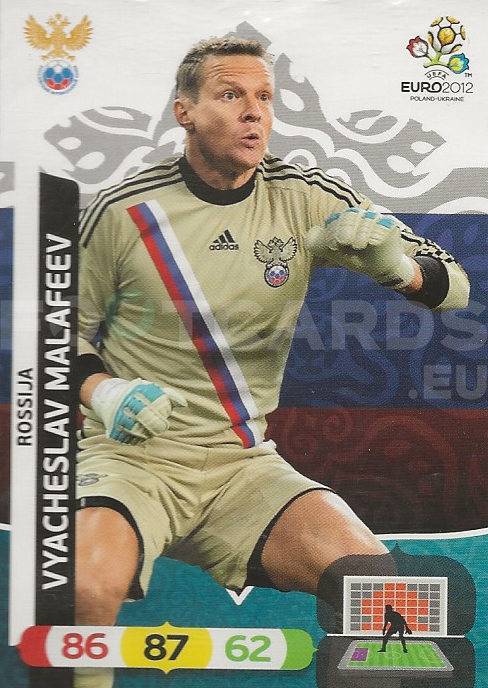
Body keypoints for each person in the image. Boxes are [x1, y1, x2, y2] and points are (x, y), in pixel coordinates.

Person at [74, 36, 469, 687]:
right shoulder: (123, 211)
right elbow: (53, 334)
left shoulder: (306, 195)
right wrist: (104, 391)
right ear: (185, 112)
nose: (254, 111)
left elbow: (453, 286)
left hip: (241, 464)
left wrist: (394, 266)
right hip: (132, 460)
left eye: (264, 96)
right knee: (84, 591)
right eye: (231, 94)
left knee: (386, 598)